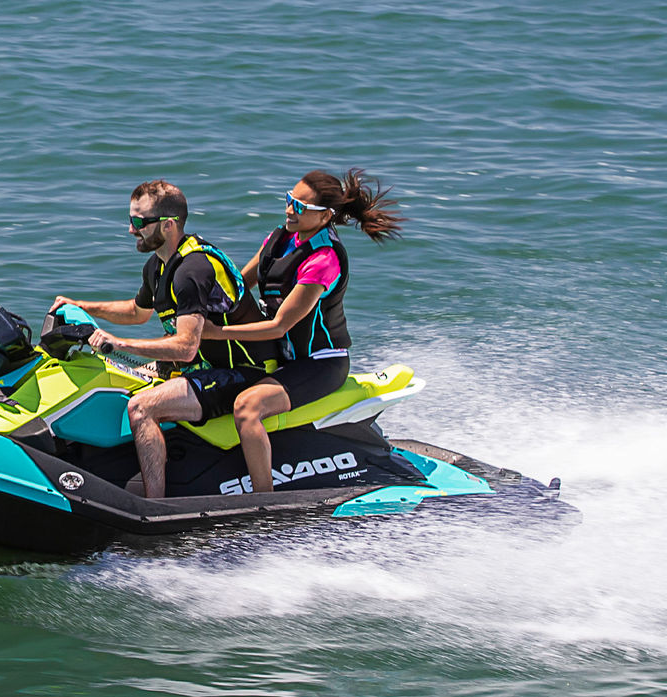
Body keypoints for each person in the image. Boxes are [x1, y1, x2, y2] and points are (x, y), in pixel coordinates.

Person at [51, 180, 278, 498]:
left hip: (246, 372)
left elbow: (185, 347)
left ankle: (153, 504)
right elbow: (136, 312)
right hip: (204, 365)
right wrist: (81, 306)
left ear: (169, 225)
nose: (132, 230)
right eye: (130, 220)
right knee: (116, 379)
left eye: (139, 222)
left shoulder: (192, 271)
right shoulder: (158, 266)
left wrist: (120, 343)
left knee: (141, 407)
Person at [201, 168, 405, 493]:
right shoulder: (279, 237)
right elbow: (239, 285)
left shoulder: (324, 259)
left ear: (325, 216)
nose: (289, 210)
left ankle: (263, 504)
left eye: (300, 206)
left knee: (247, 408)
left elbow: (280, 325)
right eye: (289, 200)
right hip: (279, 356)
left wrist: (213, 333)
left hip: (319, 364)